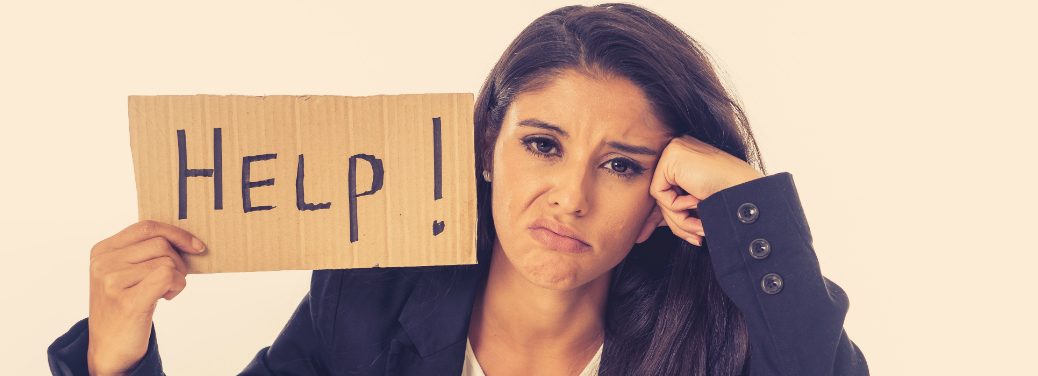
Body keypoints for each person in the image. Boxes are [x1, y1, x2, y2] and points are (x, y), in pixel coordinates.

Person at [48, 3, 869, 376]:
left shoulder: (720, 341)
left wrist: (745, 202)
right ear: (485, 150)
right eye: (542, 145)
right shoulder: (365, 304)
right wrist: (112, 358)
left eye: (620, 164)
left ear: (664, 196)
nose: (570, 197)